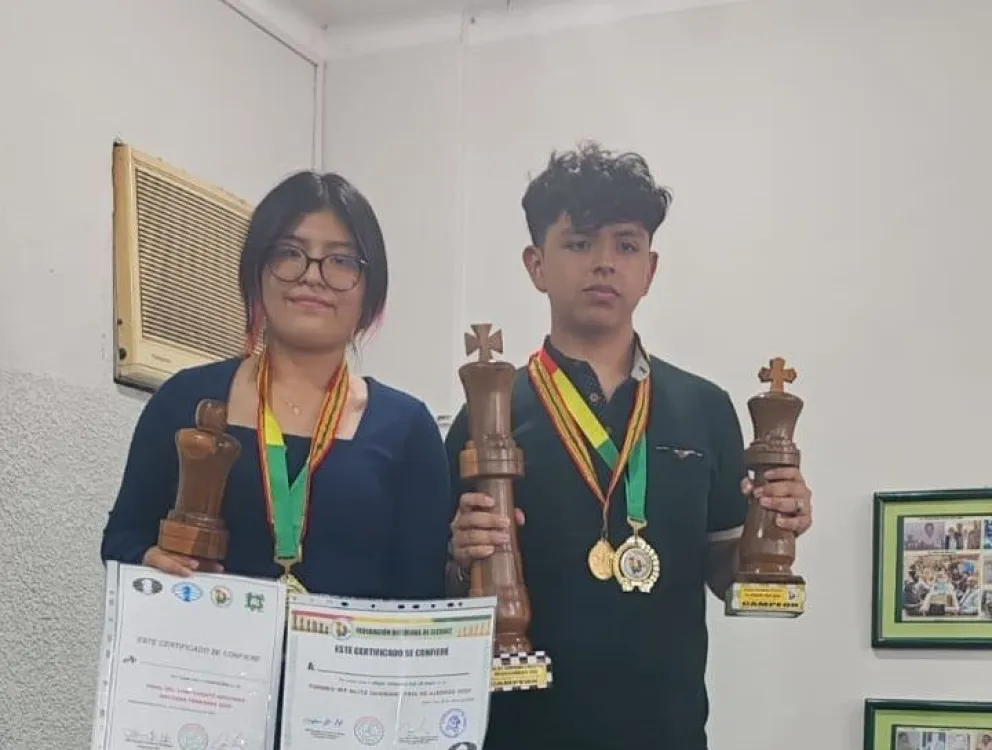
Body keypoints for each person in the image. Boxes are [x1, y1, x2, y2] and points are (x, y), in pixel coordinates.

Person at [444, 142, 814, 749]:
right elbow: (444, 587)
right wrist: (461, 558)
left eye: (625, 245)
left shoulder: (704, 408)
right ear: (536, 265)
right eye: (578, 243)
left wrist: (773, 523)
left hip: (666, 731)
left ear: (650, 268)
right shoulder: (490, 412)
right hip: (522, 731)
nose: (604, 264)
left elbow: (728, 574)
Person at [101, 170, 453, 601]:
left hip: (350, 647)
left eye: (341, 260)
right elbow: (121, 540)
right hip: (211, 643)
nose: (313, 276)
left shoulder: (408, 428)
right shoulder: (186, 401)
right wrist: (150, 562)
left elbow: (422, 595)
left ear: (370, 287)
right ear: (257, 270)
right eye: (290, 253)